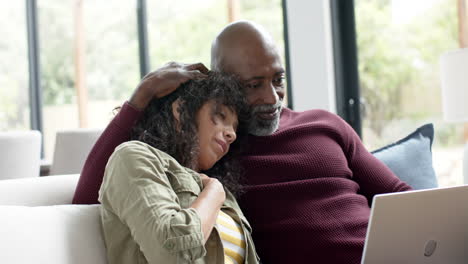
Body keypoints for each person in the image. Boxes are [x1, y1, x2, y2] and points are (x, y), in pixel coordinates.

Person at [74, 21, 412, 263]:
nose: (271, 97)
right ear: (223, 83)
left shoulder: (325, 123)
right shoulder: (210, 152)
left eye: (278, 79)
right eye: (253, 85)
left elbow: (399, 196)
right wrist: (142, 96)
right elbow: (90, 198)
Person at [98, 72, 260, 264]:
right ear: (181, 109)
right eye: (220, 115)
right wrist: (214, 193)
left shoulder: (223, 195)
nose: (232, 134)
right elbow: (171, 254)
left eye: (234, 127)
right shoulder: (134, 157)